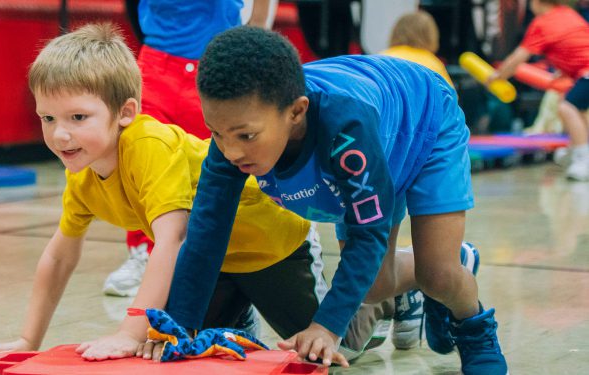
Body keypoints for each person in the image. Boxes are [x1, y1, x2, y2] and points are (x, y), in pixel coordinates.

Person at [0, 23, 377, 365]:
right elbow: (58, 256)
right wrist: (27, 340)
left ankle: (388, 296)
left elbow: (173, 239)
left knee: (333, 352)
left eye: (78, 117)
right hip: (207, 265)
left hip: (271, 244)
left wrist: (131, 328)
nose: (60, 133)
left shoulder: (147, 144)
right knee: (182, 353)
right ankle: (236, 319)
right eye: (47, 118)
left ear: (126, 112)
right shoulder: (82, 175)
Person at [164, 26, 508, 374]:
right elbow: (206, 230)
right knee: (374, 287)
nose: (231, 150)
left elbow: (367, 233)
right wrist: (178, 324)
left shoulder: (345, 132)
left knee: (439, 273)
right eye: (216, 132)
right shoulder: (234, 135)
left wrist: (326, 326)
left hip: (425, 120)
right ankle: (423, 281)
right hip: (379, 133)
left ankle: (474, 325)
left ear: (296, 112)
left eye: (246, 136)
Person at [104, 0, 276, 298]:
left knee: (219, 171)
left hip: (216, 65)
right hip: (156, 64)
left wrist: (254, 42)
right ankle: (143, 252)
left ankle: (227, 258)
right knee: (141, 163)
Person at [379, 10, 454, 351]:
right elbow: (448, 113)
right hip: (425, 155)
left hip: (387, 154)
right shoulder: (433, 63)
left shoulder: (380, 57)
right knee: (431, 243)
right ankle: (410, 288)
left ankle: (396, 294)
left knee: (381, 243)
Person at [490, 0, 589, 181]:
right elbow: (575, 45)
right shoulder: (567, 13)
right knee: (573, 107)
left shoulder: (542, 22)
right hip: (583, 72)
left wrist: (498, 76)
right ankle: (578, 150)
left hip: (586, 72)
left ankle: (583, 158)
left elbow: (518, 58)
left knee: (567, 107)